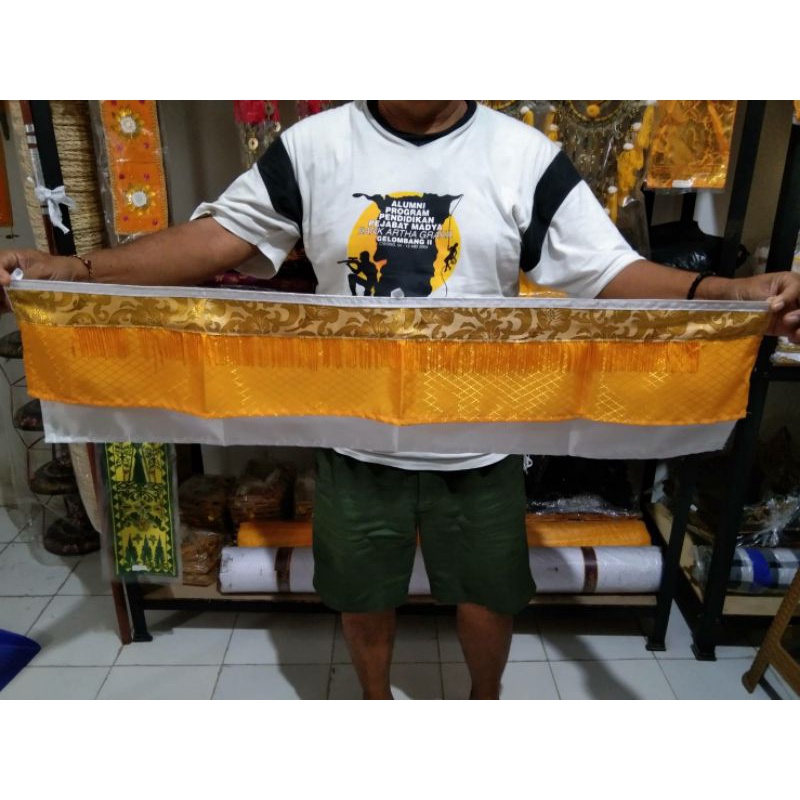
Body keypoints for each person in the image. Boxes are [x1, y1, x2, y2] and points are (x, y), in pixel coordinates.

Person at [2, 101, 800, 699]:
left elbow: (605, 270)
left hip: (482, 439)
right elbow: (216, 238)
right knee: (360, 594)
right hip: (355, 439)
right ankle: (375, 706)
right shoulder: (314, 147)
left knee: (490, 594)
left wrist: (727, 292)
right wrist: (82, 270)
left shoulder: (521, 155)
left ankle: (482, 705)